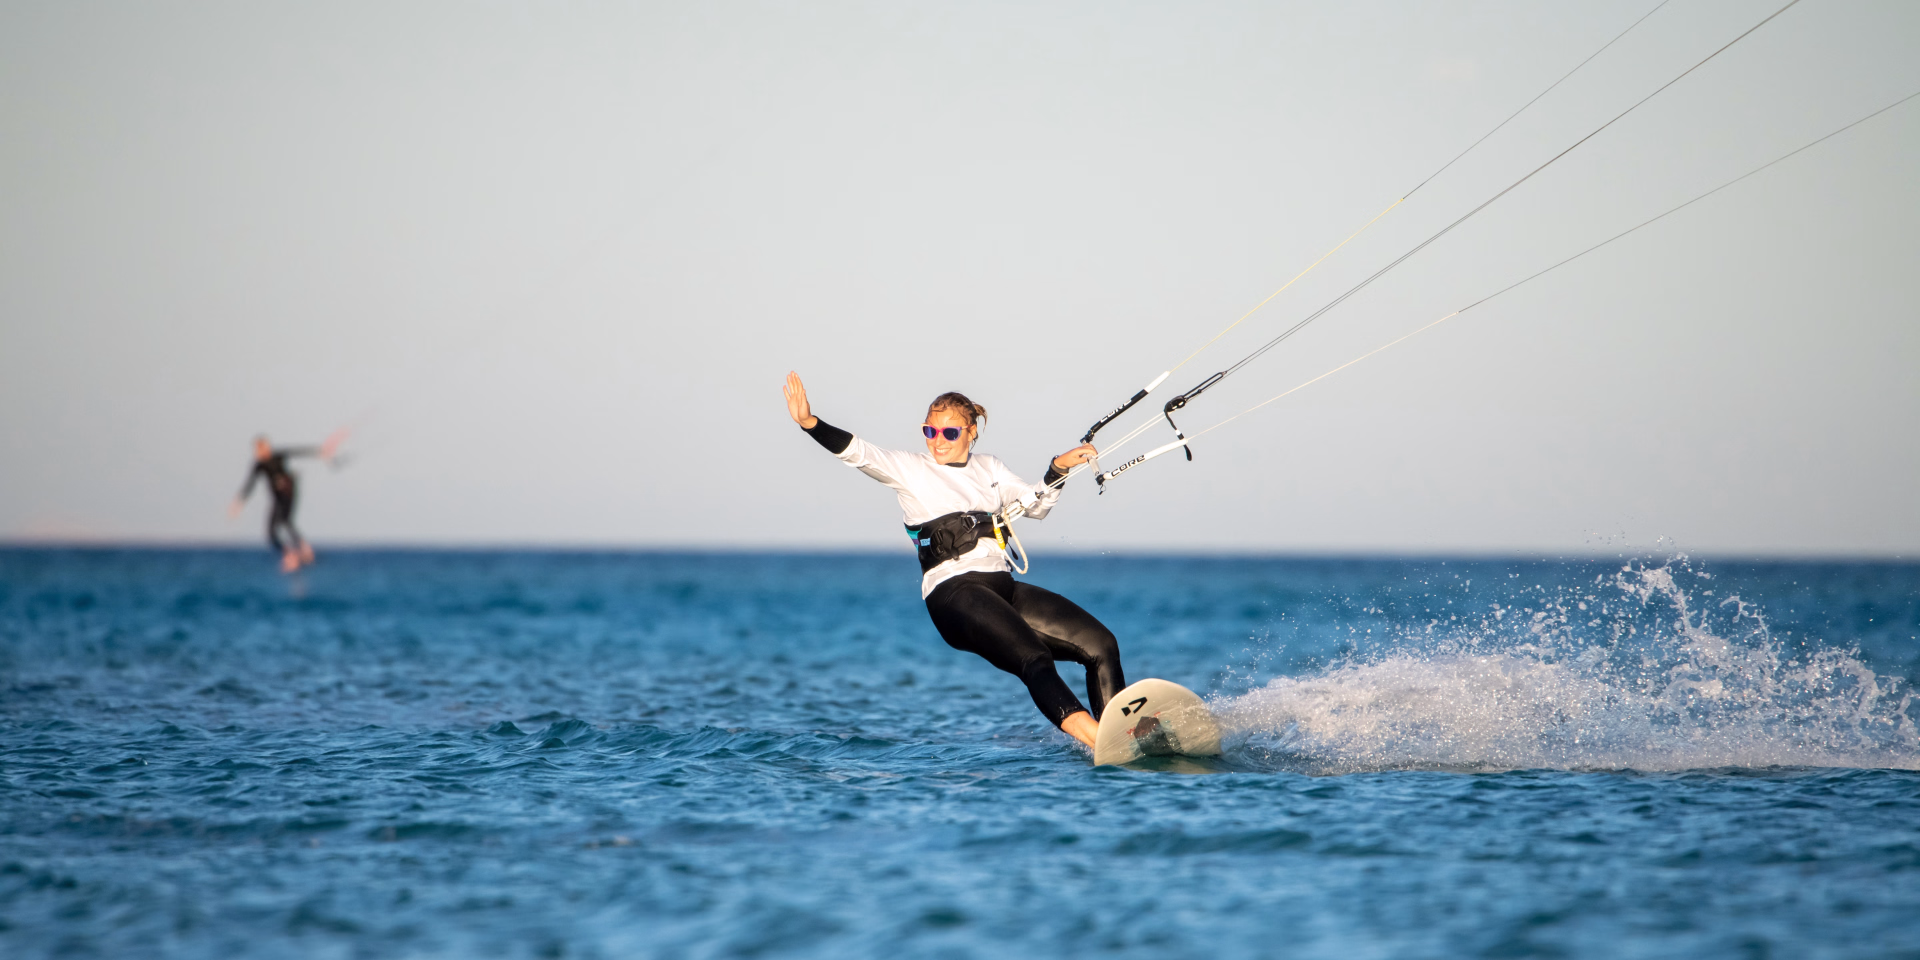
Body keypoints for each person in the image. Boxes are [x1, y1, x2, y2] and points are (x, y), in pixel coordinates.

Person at [783, 371, 1122, 748]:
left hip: (1003, 588)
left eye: (950, 433)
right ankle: (1098, 741)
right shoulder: (910, 470)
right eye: (930, 432)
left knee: (1101, 645)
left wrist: (1056, 470)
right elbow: (857, 451)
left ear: (971, 431)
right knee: (1035, 659)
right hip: (954, 594)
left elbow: (1036, 506)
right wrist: (810, 423)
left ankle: (1119, 736)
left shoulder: (990, 468)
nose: (938, 442)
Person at [230, 434, 339, 573]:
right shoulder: (259, 465)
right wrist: (239, 502)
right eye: (258, 450)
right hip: (276, 499)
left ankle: (304, 548)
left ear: (267, 448)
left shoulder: (277, 456)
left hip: (288, 493)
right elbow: (250, 484)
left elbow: (298, 452)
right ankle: (289, 554)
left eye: (262, 449)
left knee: (285, 521)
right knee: (271, 534)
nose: (260, 452)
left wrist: (320, 451)